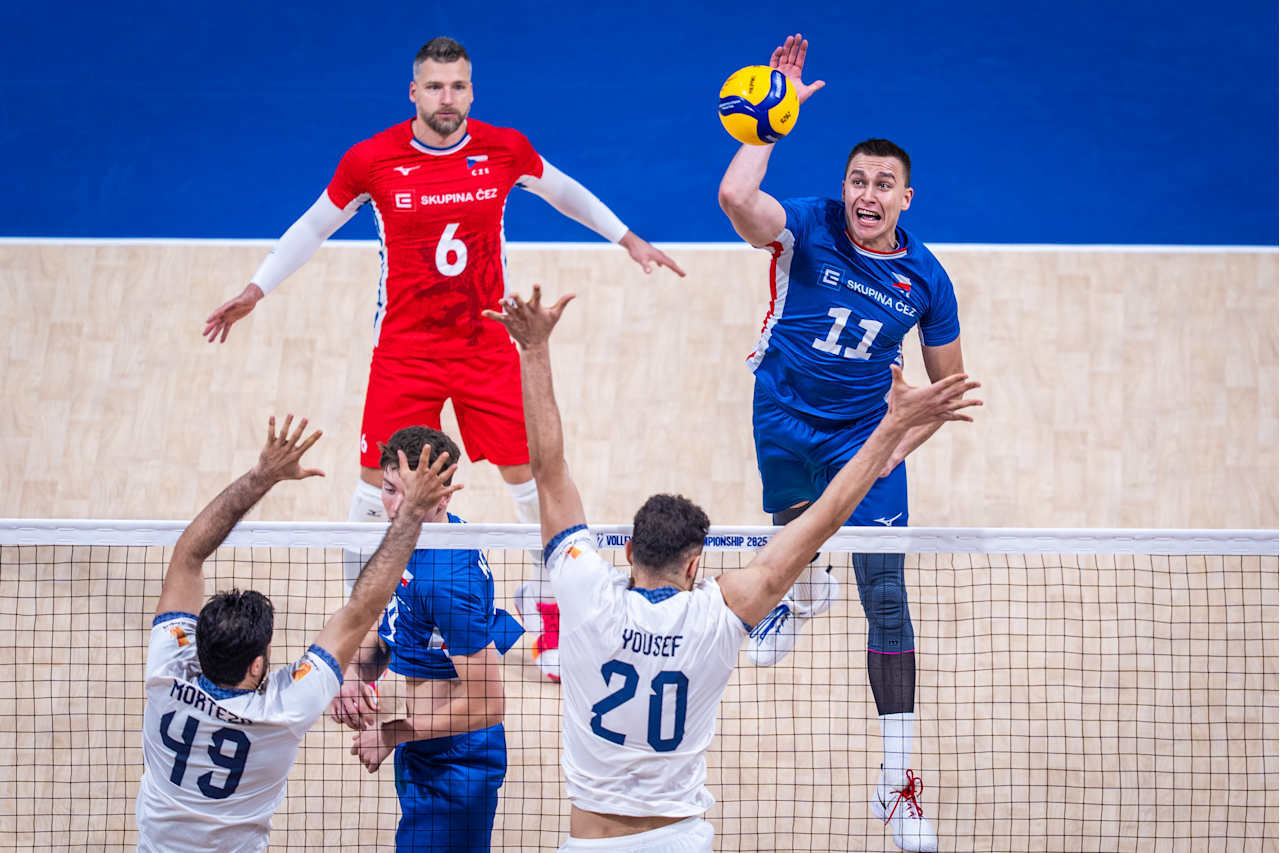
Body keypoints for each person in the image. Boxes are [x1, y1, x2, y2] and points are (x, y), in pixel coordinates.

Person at [202, 36, 685, 682]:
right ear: (413, 92)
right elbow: (313, 225)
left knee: (533, 479)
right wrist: (255, 288)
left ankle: (555, 613)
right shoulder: (372, 160)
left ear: (472, 91)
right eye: (434, 86)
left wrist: (628, 238)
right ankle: (361, 622)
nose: (447, 98)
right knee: (375, 491)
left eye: (458, 86)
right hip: (406, 350)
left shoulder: (502, 148)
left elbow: (563, 190)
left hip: (486, 344)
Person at [483, 286, 978, 853]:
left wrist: (534, 349)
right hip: (680, 841)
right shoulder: (716, 617)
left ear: (626, 552)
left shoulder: (583, 591)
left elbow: (548, 472)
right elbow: (823, 520)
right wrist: (887, 432)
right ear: (695, 563)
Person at [716, 33, 965, 852]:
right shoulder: (808, 228)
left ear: (906, 198)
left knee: (886, 595)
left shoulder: (926, 279)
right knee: (791, 530)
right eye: (858, 179)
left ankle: (896, 787)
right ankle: (798, 589)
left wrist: (900, 445)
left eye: (883, 185)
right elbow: (733, 198)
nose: (866, 193)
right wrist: (769, 122)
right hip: (782, 413)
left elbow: (944, 389)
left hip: (864, 438)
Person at [136, 415, 460, 852]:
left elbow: (186, 555)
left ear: (196, 645)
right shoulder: (283, 709)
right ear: (256, 665)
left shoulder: (165, 672)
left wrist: (260, 475)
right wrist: (413, 515)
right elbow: (362, 607)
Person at [328, 425, 523, 853]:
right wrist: (353, 672)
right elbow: (396, 626)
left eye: (411, 494)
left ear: (445, 495)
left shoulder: (447, 580)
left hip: (456, 764)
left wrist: (392, 734)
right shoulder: (417, 537)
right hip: (424, 746)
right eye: (389, 489)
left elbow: (488, 705)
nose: (397, 506)